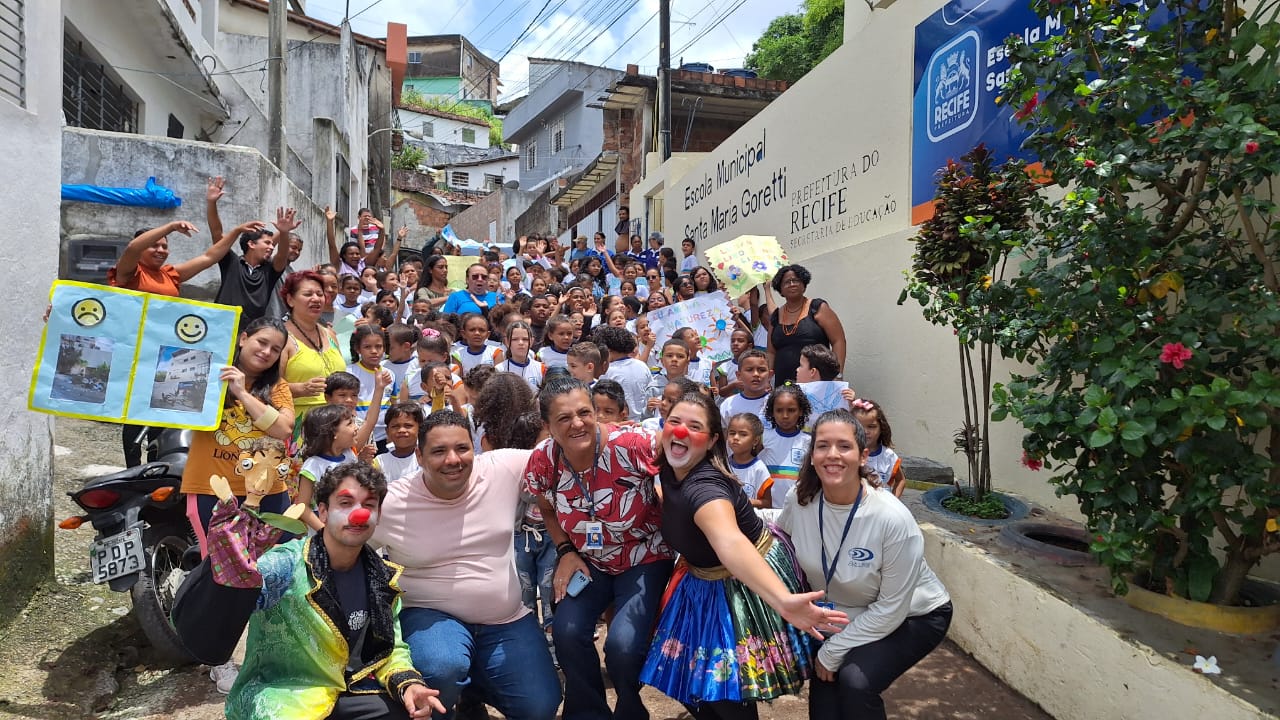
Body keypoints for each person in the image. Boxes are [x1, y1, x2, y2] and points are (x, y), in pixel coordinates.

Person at [171, 461, 446, 720]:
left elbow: (391, 648)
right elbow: (237, 599)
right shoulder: (286, 564)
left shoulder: (382, 578)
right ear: (322, 511)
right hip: (281, 694)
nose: (358, 514)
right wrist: (234, 569)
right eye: (346, 503)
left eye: (369, 505)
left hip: (349, 689)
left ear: (378, 515)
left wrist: (408, 684)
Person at [639, 392, 846, 718]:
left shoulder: (706, 489)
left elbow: (731, 543)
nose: (680, 431)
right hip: (700, 578)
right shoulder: (665, 462)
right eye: (674, 422)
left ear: (711, 442)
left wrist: (782, 600)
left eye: (694, 426)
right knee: (695, 682)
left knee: (728, 689)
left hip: (747, 581)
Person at [372, 411, 563, 719]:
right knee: (442, 667)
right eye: (438, 451)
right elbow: (343, 544)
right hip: (427, 615)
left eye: (462, 448)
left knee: (541, 705)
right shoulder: (391, 503)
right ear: (419, 456)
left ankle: (473, 688)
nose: (453, 459)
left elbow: (564, 450)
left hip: (505, 619)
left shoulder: (502, 467)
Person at [777, 410, 952, 720]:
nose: (832, 455)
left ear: (863, 456)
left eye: (844, 446)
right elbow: (779, 541)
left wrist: (832, 651)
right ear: (812, 454)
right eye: (822, 445)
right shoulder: (800, 499)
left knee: (855, 682)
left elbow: (891, 609)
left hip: (912, 613)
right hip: (841, 614)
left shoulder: (892, 519)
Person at [523, 377, 675, 720]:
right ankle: (587, 713)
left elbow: (680, 462)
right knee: (567, 632)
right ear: (548, 426)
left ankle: (630, 710)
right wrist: (565, 551)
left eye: (584, 412)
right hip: (589, 561)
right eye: (564, 418)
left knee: (623, 646)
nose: (577, 423)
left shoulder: (633, 445)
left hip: (644, 556)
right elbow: (546, 505)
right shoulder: (544, 460)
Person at [108, 214, 265, 467]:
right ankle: (133, 469)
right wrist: (169, 225)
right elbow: (131, 249)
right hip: (137, 354)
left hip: (167, 355)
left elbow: (208, 257)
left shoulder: (170, 274)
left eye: (165, 245)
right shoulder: (130, 272)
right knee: (136, 414)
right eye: (155, 245)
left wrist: (235, 231)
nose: (161, 250)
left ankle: (154, 466)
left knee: (162, 409)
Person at [181, 317, 296, 557]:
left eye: (275, 349)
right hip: (213, 489)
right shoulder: (208, 378)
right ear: (243, 339)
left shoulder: (278, 387)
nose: (266, 352)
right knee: (218, 566)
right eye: (261, 342)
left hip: (269, 491)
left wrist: (242, 393)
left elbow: (283, 429)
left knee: (272, 564)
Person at [279, 271, 349, 428]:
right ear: (290, 300)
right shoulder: (281, 337)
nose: (316, 299)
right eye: (308, 294)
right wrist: (301, 388)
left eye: (319, 294)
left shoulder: (329, 333)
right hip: (299, 426)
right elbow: (267, 386)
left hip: (336, 426)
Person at [766, 265, 847, 385]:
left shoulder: (818, 308)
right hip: (784, 385)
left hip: (818, 382)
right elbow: (771, 352)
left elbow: (838, 341)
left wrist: (837, 374)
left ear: (804, 285)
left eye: (797, 280)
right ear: (780, 289)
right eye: (787, 282)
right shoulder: (775, 316)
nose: (792, 284)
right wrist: (767, 379)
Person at [758, 384, 813, 511]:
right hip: (769, 509)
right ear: (772, 412)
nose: (785, 416)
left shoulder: (808, 441)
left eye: (791, 410)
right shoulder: (763, 438)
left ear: (800, 411)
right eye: (779, 410)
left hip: (798, 508)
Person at [851, 398, 906, 497]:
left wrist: (894, 501)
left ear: (881, 428)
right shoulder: (847, 454)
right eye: (859, 426)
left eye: (871, 426)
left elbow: (901, 480)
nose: (865, 431)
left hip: (881, 508)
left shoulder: (888, 456)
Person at [598, 326, 651, 421]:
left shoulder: (606, 371)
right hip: (643, 420)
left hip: (619, 422)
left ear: (608, 349)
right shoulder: (642, 366)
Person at [327, 206, 385, 277]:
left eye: (357, 254)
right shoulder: (339, 265)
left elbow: (377, 248)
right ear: (344, 256)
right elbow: (332, 245)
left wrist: (382, 230)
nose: (355, 256)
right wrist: (329, 222)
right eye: (351, 254)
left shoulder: (363, 264)